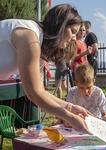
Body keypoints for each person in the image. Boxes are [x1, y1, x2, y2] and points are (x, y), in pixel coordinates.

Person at [0, 4, 92, 134]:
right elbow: (32, 93)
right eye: (72, 31)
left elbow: (40, 91)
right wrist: (71, 118)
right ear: (60, 25)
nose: (73, 38)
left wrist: (70, 107)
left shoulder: (39, 45)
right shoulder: (30, 37)